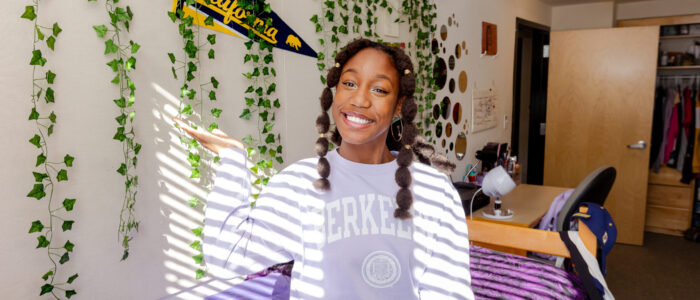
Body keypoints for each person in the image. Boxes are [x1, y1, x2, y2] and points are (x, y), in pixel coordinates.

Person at [175, 38, 474, 299]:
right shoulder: (299, 182)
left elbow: (448, 293)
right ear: (335, 91)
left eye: (380, 90)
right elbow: (226, 256)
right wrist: (232, 160)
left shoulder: (433, 191)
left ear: (399, 106)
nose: (359, 99)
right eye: (350, 83)